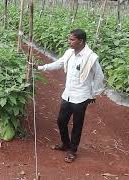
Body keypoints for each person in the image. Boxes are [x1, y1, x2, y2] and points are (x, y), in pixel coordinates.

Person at [36, 29, 104, 163]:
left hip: (81, 97)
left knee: (77, 125)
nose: (69, 42)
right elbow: (59, 63)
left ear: (81, 41)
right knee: (61, 121)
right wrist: (41, 67)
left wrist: (93, 93)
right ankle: (65, 144)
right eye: (69, 39)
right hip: (67, 94)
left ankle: (72, 150)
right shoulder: (69, 53)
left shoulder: (91, 58)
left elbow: (99, 76)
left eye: (72, 39)